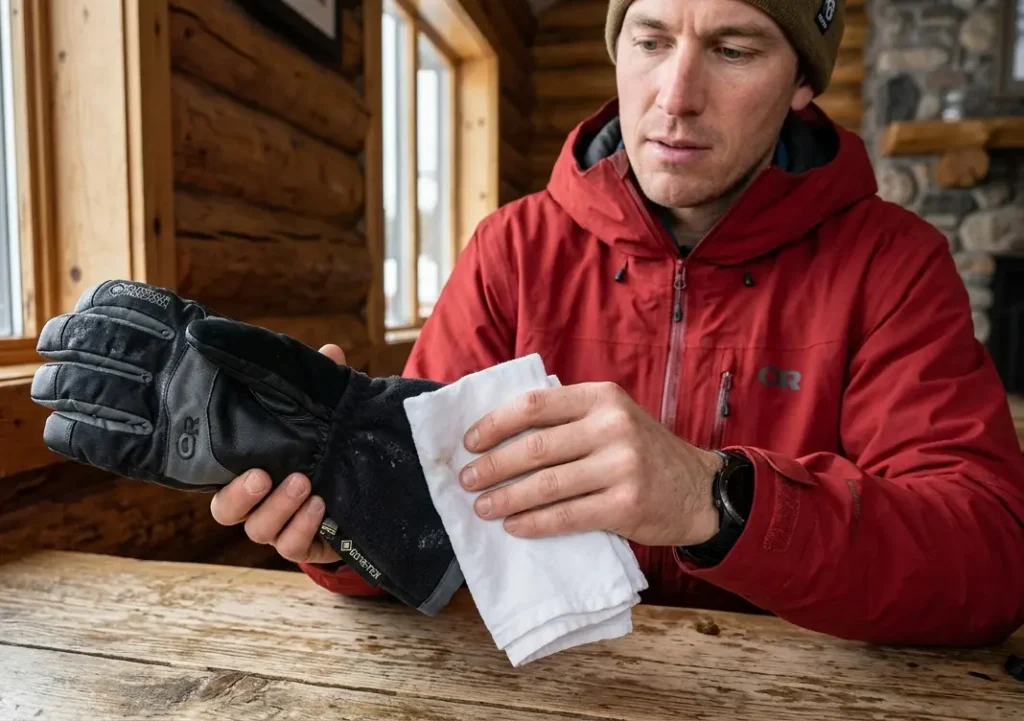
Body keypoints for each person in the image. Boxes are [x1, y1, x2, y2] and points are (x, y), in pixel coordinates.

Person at [209, 0, 1024, 646]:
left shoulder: (894, 264)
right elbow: (429, 515)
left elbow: (990, 558)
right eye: (651, 40)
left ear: (801, 84)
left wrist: (715, 498)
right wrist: (348, 534)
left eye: (733, 50)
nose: (676, 96)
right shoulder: (511, 250)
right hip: (544, 687)